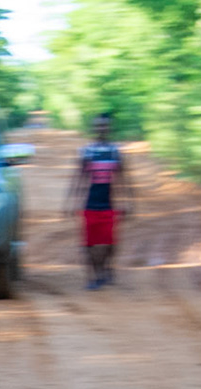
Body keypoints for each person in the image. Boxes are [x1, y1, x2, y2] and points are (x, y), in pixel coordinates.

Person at [70, 112, 131, 290]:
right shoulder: (87, 152)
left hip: (108, 205)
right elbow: (78, 178)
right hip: (90, 205)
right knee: (88, 245)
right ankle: (94, 277)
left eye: (105, 126)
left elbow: (123, 178)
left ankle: (104, 268)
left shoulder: (115, 152)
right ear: (94, 128)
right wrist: (72, 202)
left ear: (109, 128)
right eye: (99, 126)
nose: (102, 129)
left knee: (110, 245)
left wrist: (128, 201)